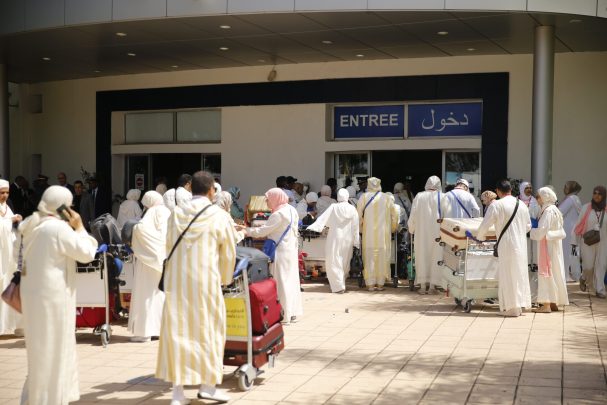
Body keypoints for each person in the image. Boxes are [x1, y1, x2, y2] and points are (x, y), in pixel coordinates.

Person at [156, 171, 237, 405]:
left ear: (191, 188)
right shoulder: (218, 215)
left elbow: (168, 244)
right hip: (205, 282)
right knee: (210, 331)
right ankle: (208, 387)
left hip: (177, 282)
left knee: (177, 333)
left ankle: (178, 393)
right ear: (212, 190)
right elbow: (228, 252)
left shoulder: (176, 213)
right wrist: (225, 277)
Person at [19, 186, 98, 404]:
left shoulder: (32, 224)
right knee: (55, 353)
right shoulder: (57, 229)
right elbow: (86, 253)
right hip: (53, 299)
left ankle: (32, 399)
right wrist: (79, 227)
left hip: (34, 298)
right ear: (63, 207)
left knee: (39, 352)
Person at [245, 188, 303, 323]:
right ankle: (292, 312)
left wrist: (246, 231)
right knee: (291, 281)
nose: (267, 202)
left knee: (281, 282)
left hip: (280, 252)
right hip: (290, 251)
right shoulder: (292, 210)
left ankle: (284, 314)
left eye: (268, 199)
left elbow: (263, 231)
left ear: (276, 198)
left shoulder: (278, 214)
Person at [477, 179, 532, 317]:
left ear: (497, 191)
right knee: (519, 274)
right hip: (520, 244)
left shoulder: (496, 205)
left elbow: (485, 224)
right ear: (511, 190)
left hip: (506, 244)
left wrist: (480, 238)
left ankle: (510, 308)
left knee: (507, 275)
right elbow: (528, 226)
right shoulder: (522, 204)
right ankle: (519, 305)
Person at [128, 191, 170, 342]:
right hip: (163, 259)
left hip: (147, 261)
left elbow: (140, 230)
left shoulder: (150, 212)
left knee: (145, 296)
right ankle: (160, 330)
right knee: (160, 295)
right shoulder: (166, 211)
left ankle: (144, 331)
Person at [307, 188, 360, 293]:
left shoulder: (334, 207)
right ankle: (341, 282)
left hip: (335, 237)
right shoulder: (352, 209)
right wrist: (356, 242)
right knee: (345, 261)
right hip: (348, 239)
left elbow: (323, 220)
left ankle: (338, 286)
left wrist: (313, 227)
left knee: (334, 261)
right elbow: (355, 227)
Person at [530, 187, 569, 312]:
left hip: (547, 247)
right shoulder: (555, 209)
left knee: (547, 272)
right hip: (554, 246)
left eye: (539, 196)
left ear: (544, 197)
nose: (537, 199)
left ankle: (546, 304)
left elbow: (542, 230)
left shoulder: (548, 211)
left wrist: (530, 231)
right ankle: (553, 302)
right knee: (555, 272)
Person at [357, 177, 399, 292]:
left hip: (368, 235)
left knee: (369, 258)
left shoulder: (363, 197)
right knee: (382, 258)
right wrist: (393, 228)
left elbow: (358, 215)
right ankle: (380, 284)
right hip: (383, 235)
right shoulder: (387, 198)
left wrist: (361, 229)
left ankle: (370, 285)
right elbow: (394, 214)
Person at [407, 176, 444, 294]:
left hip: (421, 233)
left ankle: (423, 286)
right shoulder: (443, 197)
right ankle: (432, 287)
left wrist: (411, 229)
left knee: (422, 257)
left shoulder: (419, 196)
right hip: (437, 233)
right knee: (436, 257)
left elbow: (413, 214)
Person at [573, 186, 607, 298]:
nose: (596, 195)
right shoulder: (586, 208)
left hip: (603, 242)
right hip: (588, 242)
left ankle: (600, 289)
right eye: (595, 193)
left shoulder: (606, 209)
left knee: (601, 265)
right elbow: (578, 225)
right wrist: (575, 241)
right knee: (588, 266)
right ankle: (584, 277)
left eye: (599, 194)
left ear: (604, 196)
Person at [0, 180, 22, 335]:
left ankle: (10, 324)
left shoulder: (6, 207)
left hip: (9, 252)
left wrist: (13, 219)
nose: (5, 195)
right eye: (2, 193)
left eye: (7, 192)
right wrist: (11, 220)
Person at [558, 181, 583, 281]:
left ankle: (566, 275)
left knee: (567, 252)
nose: (564, 189)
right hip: (573, 230)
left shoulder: (571, 199)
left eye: (566, 187)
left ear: (571, 188)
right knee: (574, 253)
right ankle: (576, 274)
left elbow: (559, 212)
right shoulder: (575, 198)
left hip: (568, 231)